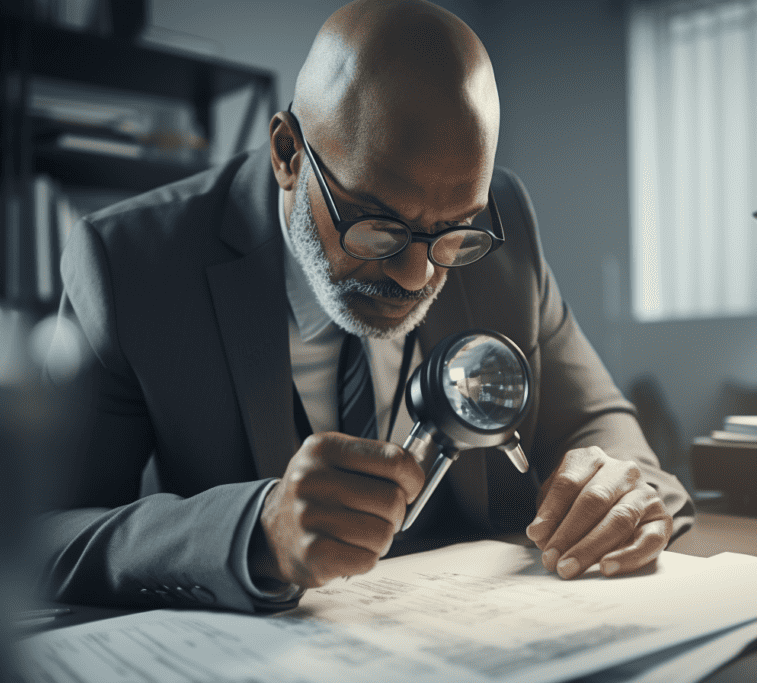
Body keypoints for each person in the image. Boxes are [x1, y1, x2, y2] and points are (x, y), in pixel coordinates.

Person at [37, 0, 694, 613]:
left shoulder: (503, 221)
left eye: (454, 231)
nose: (416, 274)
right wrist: (253, 532)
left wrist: (620, 490)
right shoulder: (129, 263)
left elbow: (601, 425)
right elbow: (40, 535)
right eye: (378, 225)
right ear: (287, 153)